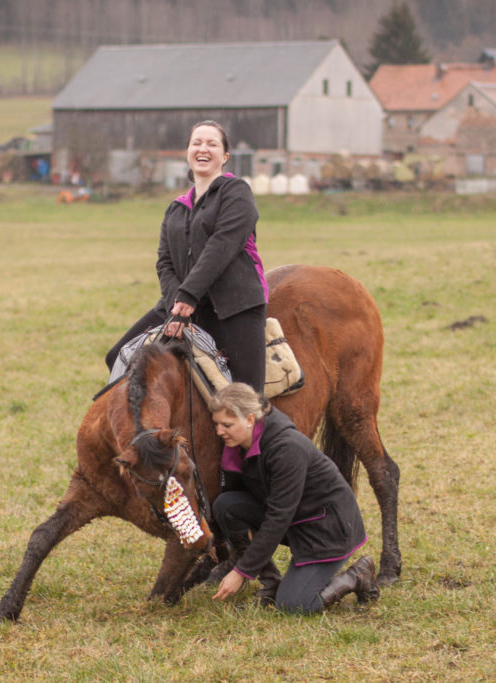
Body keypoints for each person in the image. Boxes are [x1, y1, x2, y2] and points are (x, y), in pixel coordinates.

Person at [104, 120, 268, 393]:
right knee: (118, 357)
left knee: (247, 397)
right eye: (197, 143)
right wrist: (176, 306)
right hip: (182, 305)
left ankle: (262, 436)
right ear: (188, 152)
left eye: (212, 144)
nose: (203, 148)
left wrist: (188, 295)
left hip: (234, 305)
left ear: (225, 157)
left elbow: (222, 245)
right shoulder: (176, 209)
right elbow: (165, 261)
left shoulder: (236, 193)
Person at [208, 383, 379, 613]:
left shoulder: (286, 449)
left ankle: (357, 576)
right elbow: (235, 496)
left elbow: (278, 516)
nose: (219, 431)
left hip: (327, 529)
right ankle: (271, 584)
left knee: (293, 605)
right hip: (296, 520)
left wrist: (241, 572)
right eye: (216, 424)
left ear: (250, 420)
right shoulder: (237, 444)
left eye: (226, 425)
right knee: (226, 505)